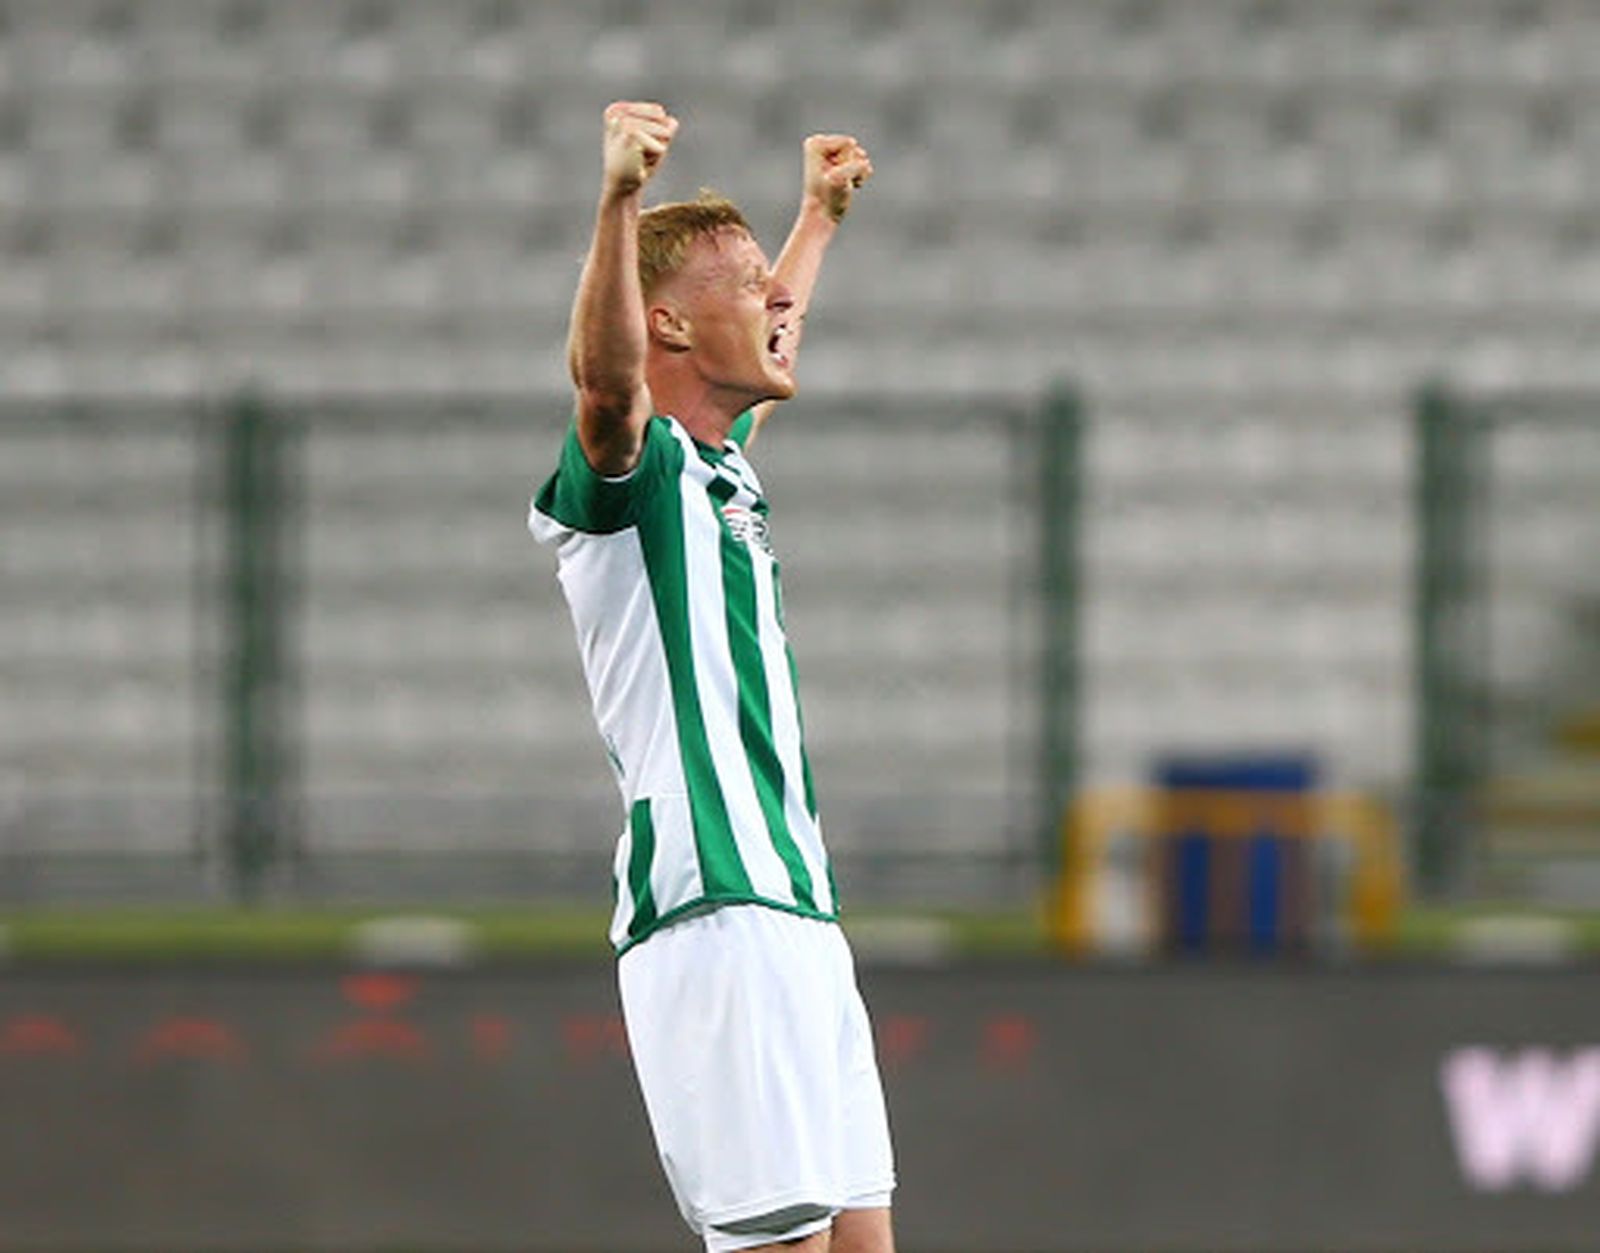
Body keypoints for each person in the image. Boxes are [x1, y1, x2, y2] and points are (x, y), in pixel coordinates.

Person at [528, 102, 895, 1253]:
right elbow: (603, 386)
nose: (774, 300)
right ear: (667, 324)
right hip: (715, 909)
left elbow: (751, 337)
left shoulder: (718, 477)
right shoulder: (628, 483)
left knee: (858, 1242)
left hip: (796, 910)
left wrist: (812, 228)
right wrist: (617, 200)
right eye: (744, 283)